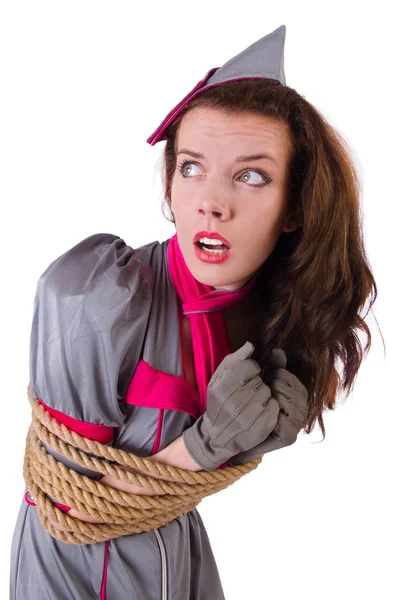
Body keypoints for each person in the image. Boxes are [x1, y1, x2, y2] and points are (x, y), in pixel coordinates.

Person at [9, 24, 378, 599]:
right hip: (75, 572)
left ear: (294, 208)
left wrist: (237, 440)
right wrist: (207, 446)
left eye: (250, 176)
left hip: (180, 562)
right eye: (191, 167)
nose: (211, 201)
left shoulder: (273, 312)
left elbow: (169, 495)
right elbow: (70, 506)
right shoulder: (96, 298)